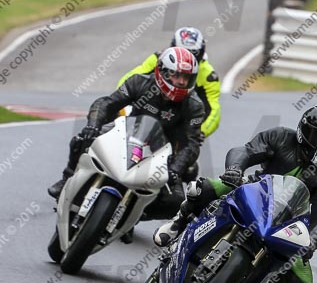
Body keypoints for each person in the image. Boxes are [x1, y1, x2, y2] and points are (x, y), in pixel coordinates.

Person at [154, 104, 317, 283]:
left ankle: (256, 279)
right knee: (202, 189)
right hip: (254, 190)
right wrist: (235, 170)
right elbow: (246, 151)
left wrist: (311, 242)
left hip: (287, 222)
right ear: (303, 130)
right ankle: (178, 222)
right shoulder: (280, 136)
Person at [47, 48, 205, 222]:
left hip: (163, 153)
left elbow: (192, 143)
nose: (181, 82)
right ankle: (67, 179)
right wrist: (93, 125)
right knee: (81, 139)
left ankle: (136, 213)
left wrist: (175, 169)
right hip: (127, 135)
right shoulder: (140, 82)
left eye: (186, 78)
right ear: (163, 72)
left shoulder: (194, 105)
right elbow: (106, 103)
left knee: (176, 198)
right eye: (177, 75)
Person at [117, 27, 220, 174]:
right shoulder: (159, 59)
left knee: (188, 167)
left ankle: (173, 191)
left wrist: (200, 131)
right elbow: (130, 79)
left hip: (179, 123)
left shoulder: (209, 75)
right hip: (144, 114)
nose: (185, 60)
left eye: (193, 54)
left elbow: (214, 109)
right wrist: (122, 102)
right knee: (96, 135)